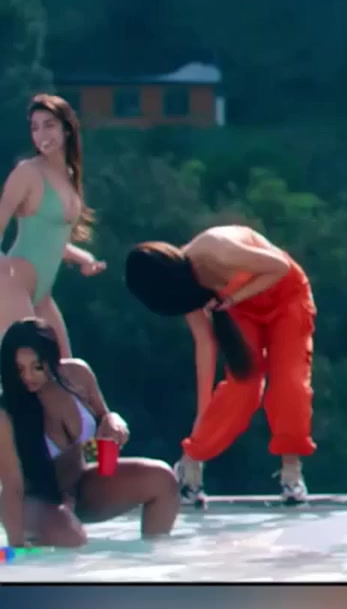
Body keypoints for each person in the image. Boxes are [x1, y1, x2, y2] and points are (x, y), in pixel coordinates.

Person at [124, 226, 317, 506]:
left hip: (286, 295)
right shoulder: (185, 291)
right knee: (242, 389)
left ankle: (291, 471)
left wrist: (233, 298)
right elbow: (206, 346)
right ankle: (190, 465)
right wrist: (202, 417)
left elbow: (279, 267)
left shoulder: (217, 249)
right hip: (239, 309)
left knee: (289, 383)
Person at [0, 318, 179, 548]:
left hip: (82, 486)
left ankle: (154, 560)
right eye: (19, 369)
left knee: (163, 480)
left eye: (37, 367)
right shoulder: (7, 411)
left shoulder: (78, 375)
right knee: (70, 537)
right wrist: (15, 546)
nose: (28, 377)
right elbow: (12, 486)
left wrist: (114, 421)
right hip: (35, 501)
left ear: (51, 358)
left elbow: (105, 420)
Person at [1, 95, 108, 359]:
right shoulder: (27, 172)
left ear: (66, 129)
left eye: (49, 125)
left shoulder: (69, 175)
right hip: (13, 285)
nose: (41, 134)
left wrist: (84, 258)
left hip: (43, 295)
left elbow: (50, 239)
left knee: (67, 368)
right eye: (35, 127)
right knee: (31, 367)